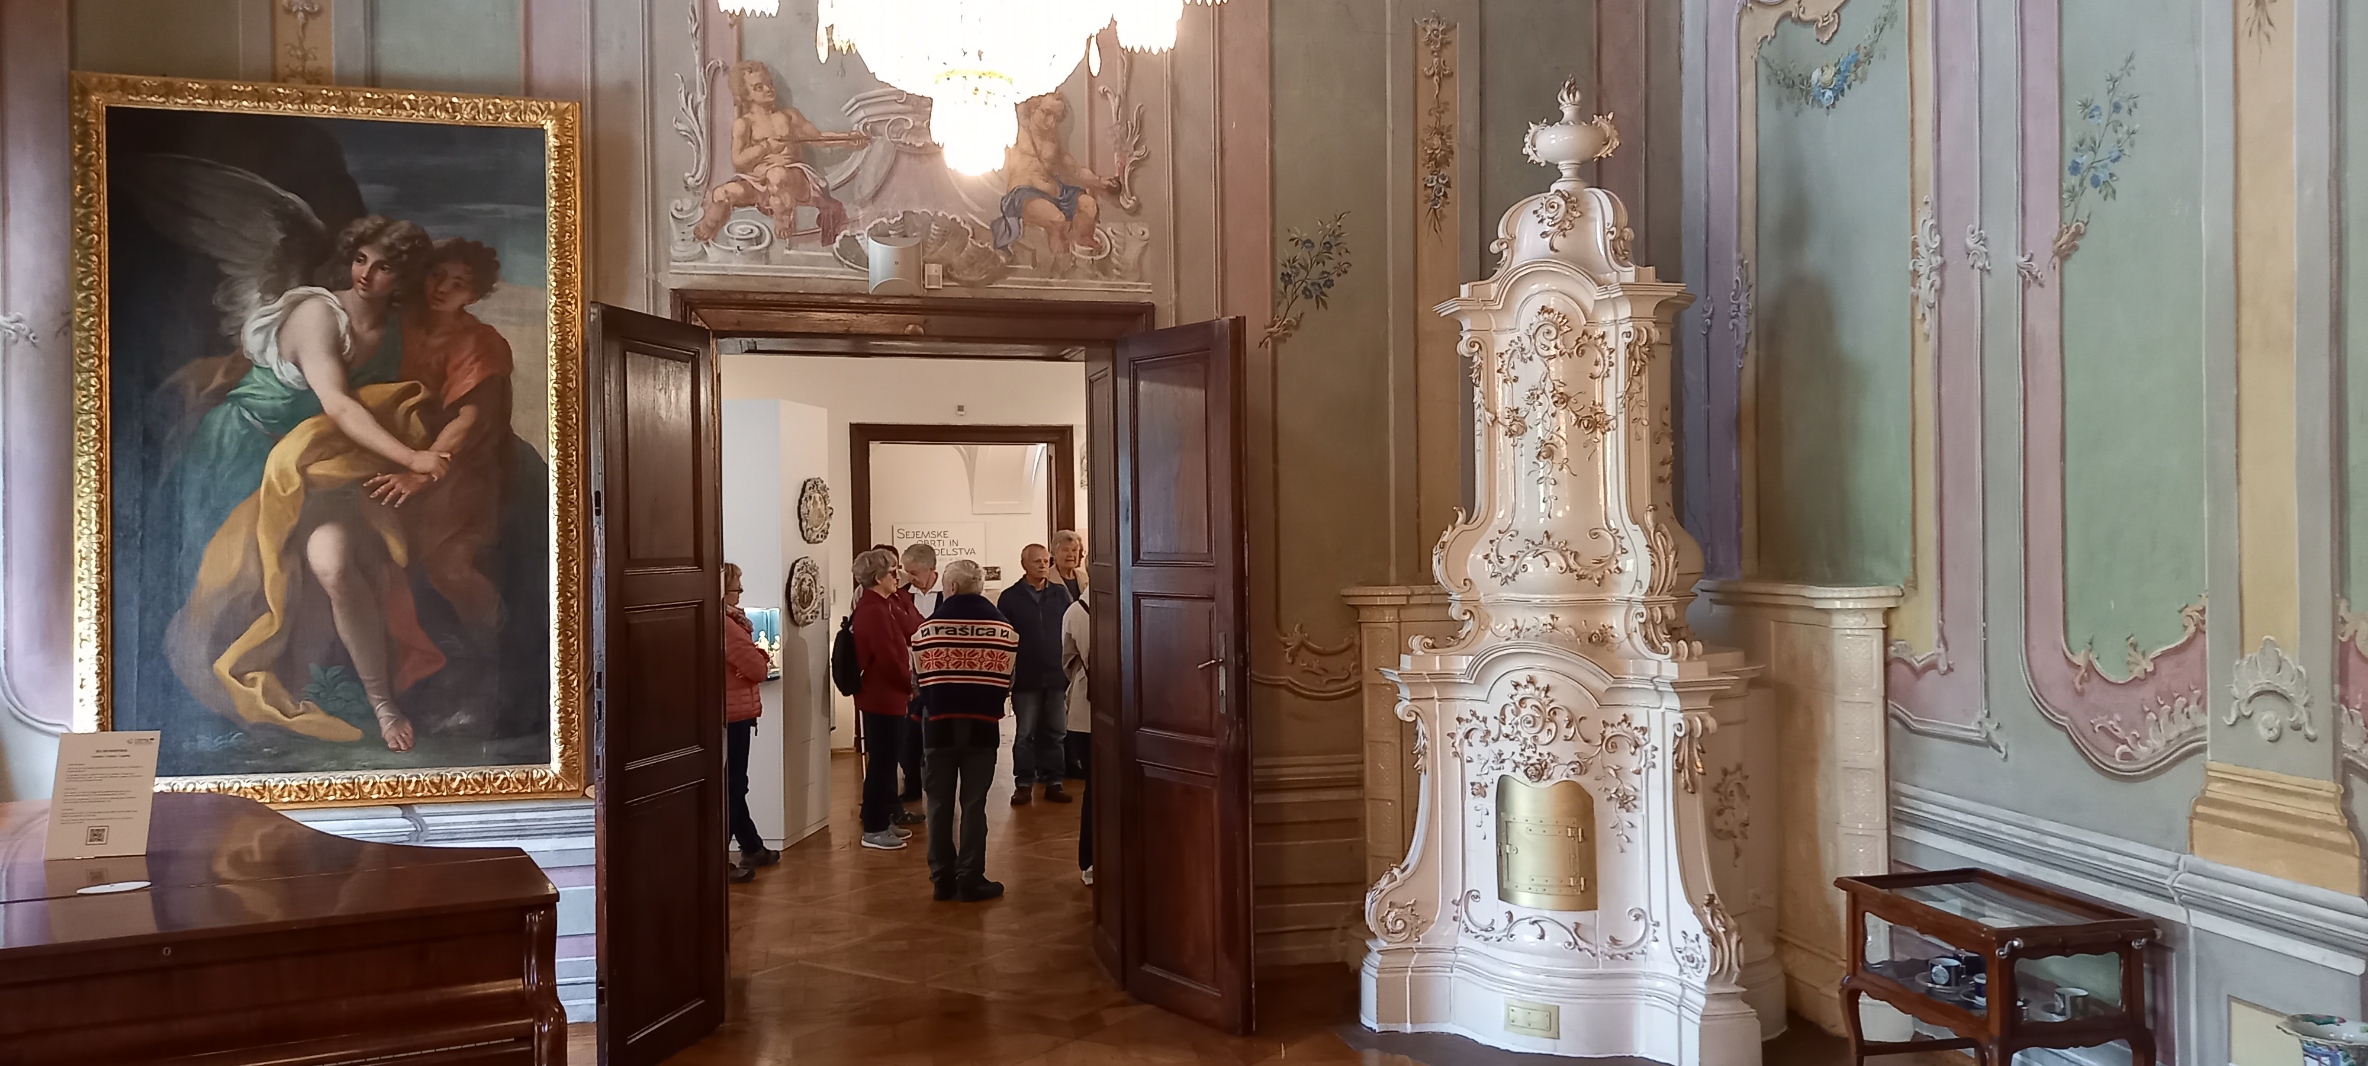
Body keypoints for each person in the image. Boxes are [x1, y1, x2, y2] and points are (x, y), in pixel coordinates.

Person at [164, 215, 452, 753]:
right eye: (361, 259)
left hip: (315, 466)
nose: (366, 273)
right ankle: (238, 703)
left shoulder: (393, 332)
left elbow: (379, 405)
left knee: (334, 564)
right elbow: (339, 405)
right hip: (245, 453)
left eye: (384, 267)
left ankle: (382, 702)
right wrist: (414, 456)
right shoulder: (318, 314)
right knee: (236, 583)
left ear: (405, 277)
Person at [910, 560, 1018, 902]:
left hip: (938, 726)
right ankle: (971, 877)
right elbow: (1009, 680)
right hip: (982, 726)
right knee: (974, 803)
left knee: (939, 803)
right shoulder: (1003, 628)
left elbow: (917, 681)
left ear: (952, 587)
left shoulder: (927, 630)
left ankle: (942, 878)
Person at [692, 61, 868, 244]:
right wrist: (766, 147)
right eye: (759, 87)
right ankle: (709, 226)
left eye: (769, 84)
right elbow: (739, 161)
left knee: (776, 175)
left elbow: (819, 138)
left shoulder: (788, 116)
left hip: (792, 178)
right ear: (746, 94)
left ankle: (784, 221)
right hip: (757, 183)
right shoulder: (744, 124)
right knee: (722, 194)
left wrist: (848, 139)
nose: (768, 89)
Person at [851, 547, 924, 849]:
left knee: (886, 761)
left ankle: (882, 819)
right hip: (882, 696)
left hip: (889, 694)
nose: (898, 576)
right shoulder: (873, 610)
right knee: (881, 763)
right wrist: (909, 684)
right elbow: (888, 658)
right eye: (893, 572)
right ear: (879, 577)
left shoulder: (883, 605)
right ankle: (874, 827)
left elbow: (908, 632)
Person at [998, 543, 1073, 805]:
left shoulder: (1060, 594)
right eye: (1037, 561)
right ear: (1024, 564)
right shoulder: (1010, 597)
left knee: (1056, 732)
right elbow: (1005, 639)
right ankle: (1023, 783)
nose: (1043, 565)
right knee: (1024, 734)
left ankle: (1054, 781)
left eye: (1045, 561)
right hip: (1026, 677)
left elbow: (1068, 630)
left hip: (1055, 675)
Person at [721, 563, 779, 883]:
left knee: (734, 784)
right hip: (733, 715)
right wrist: (758, 660)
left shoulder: (729, 622)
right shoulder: (727, 626)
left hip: (733, 712)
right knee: (733, 786)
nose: (741, 591)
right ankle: (720, 857)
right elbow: (757, 668)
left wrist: (757, 659)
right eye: (736, 585)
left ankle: (753, 846)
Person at [894, 542, 942, 814]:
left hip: (940, 675)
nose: (909, 577)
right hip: (911, 674)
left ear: (931, 569)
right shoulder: (902, 596)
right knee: (909, 733)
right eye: (906, 571)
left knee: (937, 732)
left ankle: (936, 785)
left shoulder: (948, 594)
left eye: (914, 572)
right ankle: (911, 783)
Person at [1051, 529, 1088, 777]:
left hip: (1080, 654)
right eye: (1066, 550)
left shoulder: (1085, 578)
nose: (1071, 555)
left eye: (1075, 550)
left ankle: (1075, 762)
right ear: (1054, 552)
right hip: (1059, 652)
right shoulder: (1048, 580)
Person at [1062, 593, 1093, 884]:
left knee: (1094, 790)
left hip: (1085, 713)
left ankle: (1090, 861)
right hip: (1131, 709)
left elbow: (1068, 661)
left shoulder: (1074, 611)